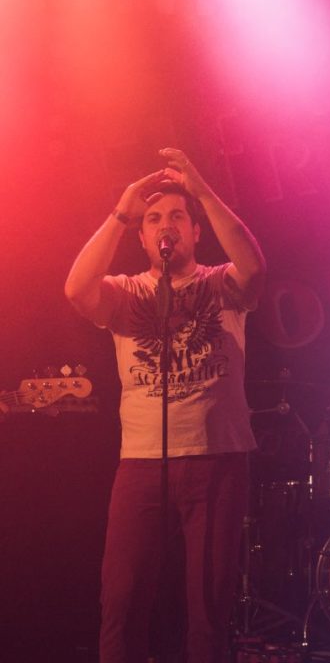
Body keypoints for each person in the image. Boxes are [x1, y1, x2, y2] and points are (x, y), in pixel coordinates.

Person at [65, 148, 266, 663]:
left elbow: (253, 264)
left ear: (196, 231)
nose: (165, 225)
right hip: (140, 462)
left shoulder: (220, 283)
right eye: (153, 218)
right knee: (122, 600)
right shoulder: (125, 292)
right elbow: (76, 288)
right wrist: (121, 213)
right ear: (142, 236)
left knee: (208, 607)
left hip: (216, 460)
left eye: (177, 216)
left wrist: (201, 192)